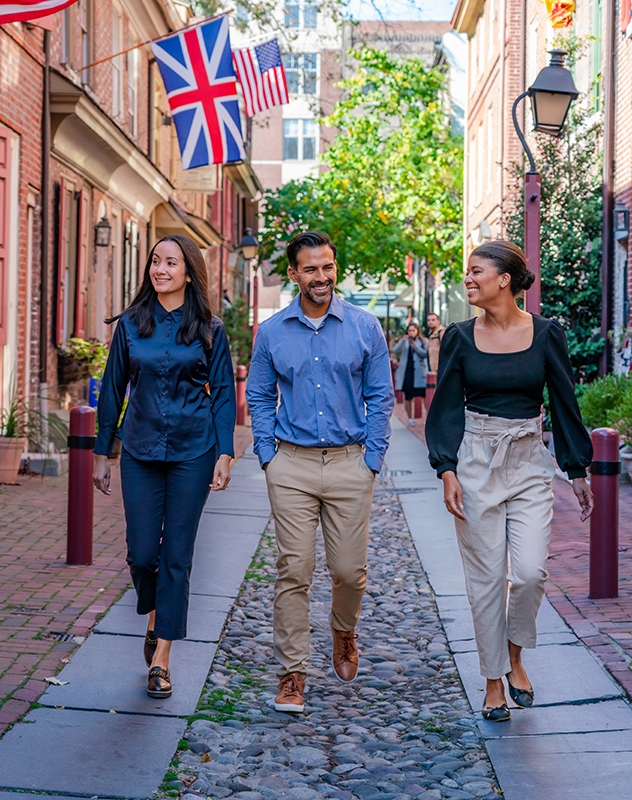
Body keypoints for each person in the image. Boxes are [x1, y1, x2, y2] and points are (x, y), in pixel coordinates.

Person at [425, 240, 593, 722]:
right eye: (467, 272)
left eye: (477, 271)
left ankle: (515, 652)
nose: (468, 279)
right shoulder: (459, 336)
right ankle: (494, 680)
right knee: (484, 583)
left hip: (528, 463)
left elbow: (563, 400)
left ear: (505, 279)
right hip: (475, 460)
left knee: (529, 573)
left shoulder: (545, 334)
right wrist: (446, 469)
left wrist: (576, 468)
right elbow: (445, 409)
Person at [246, 231, 394, 714]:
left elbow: (381, 396)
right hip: (291, 464)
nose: (321, 277)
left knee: (350, 572)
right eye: (310, 269)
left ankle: (343, 630)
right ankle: (293, 673)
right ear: (293, 274)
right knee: (294, 569)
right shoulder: (271, 332)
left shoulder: (364, 327)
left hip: (352, 462)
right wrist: (268, 455)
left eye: (327, 267)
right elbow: (260, 396)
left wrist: (372, 457)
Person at [93, 235, 236, 700]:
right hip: (139, 450)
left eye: (171, 262)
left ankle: (162, 658)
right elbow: (113, 389)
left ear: (188, 272)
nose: (160, 268)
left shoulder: (209, 328)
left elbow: (223, 394)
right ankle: (155, 615)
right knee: (141, 554)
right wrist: (102, 451)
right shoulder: (131, 326)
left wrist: (225, 452)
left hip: (193, 453)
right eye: (156, 261)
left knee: (176, 555)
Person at [392, 323, 428, 425]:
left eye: (413, 330)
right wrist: (403, 340)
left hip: (419, 371)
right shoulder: (404, 340)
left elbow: (424, 354)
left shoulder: (423, 340)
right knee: (408, 395)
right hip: (407, 371)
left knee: (423, 394)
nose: (411, 333)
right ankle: (410, 418)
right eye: (409, 330)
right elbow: (395, 351)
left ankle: (427, 417)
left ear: (417, 331)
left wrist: (415, 346)